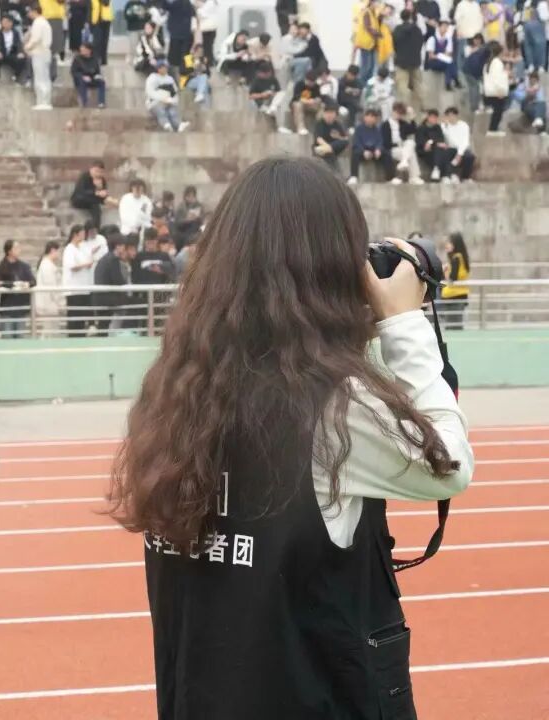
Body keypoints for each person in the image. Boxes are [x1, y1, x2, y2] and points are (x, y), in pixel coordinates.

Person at [109, 157, 473, 720]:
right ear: (330, 268)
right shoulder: (333, 406)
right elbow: (448, 463)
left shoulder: (175, 389)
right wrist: (403, 323)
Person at [0, 240, 37, 338]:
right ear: (9, 251)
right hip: (7, 308)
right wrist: (13, 284)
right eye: (16, 248)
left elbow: (33, 281)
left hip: (21, 307)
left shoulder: (24, 266)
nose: (19, 250)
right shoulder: (2, 267)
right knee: (7, 336)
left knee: (20, 337)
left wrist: (26, 284)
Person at [93, 237, 132, 334]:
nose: (124, 248)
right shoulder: (113, 259)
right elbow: (117, 280)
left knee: (103, 326)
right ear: (117, 246)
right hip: (108, 298)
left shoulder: (105, 258)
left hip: (101, 297)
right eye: (122, 245)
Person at [62, 224, 93, 336]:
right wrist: (85, 265)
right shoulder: (69, 249)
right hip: (73, 290)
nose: (84, 236)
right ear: (75, 234)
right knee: (74, 319)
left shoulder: (82, 248)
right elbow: (72, 266)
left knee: (82, 318)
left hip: (83, 288)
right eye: (82, 233)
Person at [349, 109, 394, 184]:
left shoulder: (377, 129)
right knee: (355, 153)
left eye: (373, 117)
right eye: (368, 116)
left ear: (376, 119)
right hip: (363, 151)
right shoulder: (359, 128)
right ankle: (354, 176)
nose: (370, 119)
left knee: (387, 154)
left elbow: (380, 141)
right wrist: (363, 151)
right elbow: (356, 142)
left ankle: (390, 178)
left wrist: (378, 149)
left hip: (374, 151)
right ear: (365, 117)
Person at [383, 101, 424, 184]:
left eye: (400, 114)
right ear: (393, 111)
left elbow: (413, 130)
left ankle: (404, 161)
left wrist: (412, 116)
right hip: (393, 149)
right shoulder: (385, 125)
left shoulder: (402, 123)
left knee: (410, 142)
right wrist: (398, 144)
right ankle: (414, 177)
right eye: (397, 113)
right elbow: (386, 142)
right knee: (411, 153)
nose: (398, 115)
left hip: (404, 148)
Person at [393, 10, 425, 110]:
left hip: (401, 62)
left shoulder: (397, 29)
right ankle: (422, 106)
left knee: (403, 86)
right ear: (410, 17)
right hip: (415, 61)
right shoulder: (417, 29)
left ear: (401, 17)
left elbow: (394, 45)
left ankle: (406, 108)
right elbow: (421, 43)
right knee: (418, 84)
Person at [146, 60, 190, 132]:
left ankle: (178, 125)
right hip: (155, 102)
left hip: (169, 102)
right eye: (163, 67)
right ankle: (166, 124)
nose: (165, 69)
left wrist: (173, 101)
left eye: (166, 67)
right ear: (158, 68)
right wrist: (162, 99)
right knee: (161, 110)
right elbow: (150, 92)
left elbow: (174, 93)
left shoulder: (170, 79)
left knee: (172, 111)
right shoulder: (152, 78)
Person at [25, 5, 55, 110]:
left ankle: (42, 101)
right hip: (45, 52)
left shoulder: (38, 23)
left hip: (39, 52)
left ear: (35, 11)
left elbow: (36, 38)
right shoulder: (45, 22)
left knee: (40, 78)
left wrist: (27, 47)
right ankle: (45, 100)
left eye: (30, 12)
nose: (28, 14)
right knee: (45, 77)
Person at [441, 232, 471, 330]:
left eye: (449, 243)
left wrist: (445, 271)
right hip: (461, 294)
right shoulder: (462, 257)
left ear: (455, 244)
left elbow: (452, 278)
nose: (447, 245)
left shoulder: (456, 258)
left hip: (453, 296)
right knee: (457, 325)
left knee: (452, 328)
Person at [71, 161, 114, 227]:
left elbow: (103, 193)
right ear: (91, 169)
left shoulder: (102, 180)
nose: (98, 174)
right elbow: (81, 191)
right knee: (95, 206)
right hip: (80, 199)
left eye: (100, 172)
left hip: (92, 201)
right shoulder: (84, 177)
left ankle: (96, 226)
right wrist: (96, 192)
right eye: (96, 171)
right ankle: (94, 227)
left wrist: (104, 193)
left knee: (98, 205)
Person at [416, 109, 454, 182]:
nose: (434, 119)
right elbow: (421, 142)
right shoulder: (421, 128)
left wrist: (432, 142)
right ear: (428, 117)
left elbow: (441, 140)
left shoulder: (437, 127)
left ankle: (443, 174)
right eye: (433, 117)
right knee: (440, 151)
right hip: (425, 151)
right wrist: (433, 143)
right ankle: (446, 174)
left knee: (449, 151)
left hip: (437, 151)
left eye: (436, 117)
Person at [35, 241, 64, 337]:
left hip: (50, 304)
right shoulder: (46, 266)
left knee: (51, 331)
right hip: (48, 303)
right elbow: (51, 287)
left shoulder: (48, 265)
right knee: (49, 331)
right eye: (58, 251)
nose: (59, 254)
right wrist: (60, 302)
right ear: (52, 251)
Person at [441, 106, 476, 183]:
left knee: (470, 157)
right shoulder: (444, 126)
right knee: (445, 154)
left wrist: (459, 153)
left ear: (456, 115)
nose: (451, 118)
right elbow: (448, 140)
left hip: (462, 149)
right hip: (451, 148)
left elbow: (465, 141)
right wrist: (446, 127)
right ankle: (448, 176)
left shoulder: (464, 125)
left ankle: (465, 177)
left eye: (452, 115)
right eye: (448, 116)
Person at [354, 0, 384, 86]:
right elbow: (368, 27)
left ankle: (368, 86)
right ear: (371, 2)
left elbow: (376, 25)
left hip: (372, 44)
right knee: (366, 67)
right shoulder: (367, 12)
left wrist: (381, 16)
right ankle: (362, 85)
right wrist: (379, 34)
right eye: (377, 2)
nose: (378, 4)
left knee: (371, 67)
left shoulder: (373, 13)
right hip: (366, 44)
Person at [313, 102, 349, 172]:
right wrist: (327, 147)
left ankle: (329, 149)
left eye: (332, 113)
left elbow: (345, 139)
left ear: (335, 114)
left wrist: (337, 138)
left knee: (344, 142)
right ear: (324, 114)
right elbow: (318, 139)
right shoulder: (320, 123)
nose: (329, 115)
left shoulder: (337, 124)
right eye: (327, 113)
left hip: (333, 148)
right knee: (329, 154)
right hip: (321, 147)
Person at [482, 41, 509, 135]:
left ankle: (493, 128)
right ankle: (493, 129)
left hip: (490, 91)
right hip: (497, 92)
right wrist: (500, 91)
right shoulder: (497, 63)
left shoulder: (488, 62)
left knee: (497, 111)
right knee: (498, 112)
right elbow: (497, 79)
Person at [0, 14, 28, 85]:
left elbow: (19, 43)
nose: (4, 24)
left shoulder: (15, 33)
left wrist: (20, 52)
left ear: (11, 23)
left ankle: (16, 77)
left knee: (22, 59)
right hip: (2, 54)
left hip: (12, 54)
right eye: (3, 22)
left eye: (6, 22)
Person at [166, 0, 197, 80]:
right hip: (184, 35)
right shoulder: (188, 5)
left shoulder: (179, 4)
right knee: (186, 56)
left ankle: (184, 76)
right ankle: (187, 74)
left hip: (180, 36)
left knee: (180, 57)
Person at [425, 19, 459, 90]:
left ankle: (448, 84)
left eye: (447, 27)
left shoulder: (448, 39)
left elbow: (449, 53)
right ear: (439, 27)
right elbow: (431, 56)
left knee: (449, 64)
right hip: (434, 62)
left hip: (443, 61)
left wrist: (441, 55)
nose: (445, 28)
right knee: (450, 63)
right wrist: (440, 56)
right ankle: (455, 80)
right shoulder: (432, 39)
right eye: (444, 26)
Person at [71, 43, 106, 108]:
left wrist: (97, 75)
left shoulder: (95, 59)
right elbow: (74, 72)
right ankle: (84, 103)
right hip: (81, 78)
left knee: (101, 82)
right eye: (81, 50)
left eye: (84, 50)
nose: (82, 51)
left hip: (92, 77)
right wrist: (82, 76)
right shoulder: (77, 59)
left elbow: (97, 71)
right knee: (82, 82)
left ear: (89, 50)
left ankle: (101, 102)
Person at [290, 70, 323, 135]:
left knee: (322, 105)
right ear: (306, 80)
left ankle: (320, 126)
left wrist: (315, 100)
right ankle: (301, 128)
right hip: (299, 103)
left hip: (311, 104)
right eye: (310, 82)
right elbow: (296, 97)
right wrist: (306, 101)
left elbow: (319, 97)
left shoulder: (316, 86)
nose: (311, 84)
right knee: (298, 105)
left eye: (313, 82)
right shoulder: (299, 84)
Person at [462, 34, 488, 114]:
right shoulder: (468, 48)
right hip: (469, 72)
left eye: (479, 39)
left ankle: (485, 106)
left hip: (479, 72)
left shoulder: (485, 49)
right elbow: (468, 54)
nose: (477, 41)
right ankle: (474, 108)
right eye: (475, 39)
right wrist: (477, 49)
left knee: (485, 88)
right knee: (474, 88)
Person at [453, 0, 484, 67]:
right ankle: (460, 72)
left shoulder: (476, 5)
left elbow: (480, 18)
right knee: (462, 55)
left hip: (475, 36)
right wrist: (459, 30)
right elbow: (457, 19)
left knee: (474, 56)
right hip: (464, 35)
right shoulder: (461, 4)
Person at [89, 0, 115, 66]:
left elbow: (106, 2)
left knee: (104, 41)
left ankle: (103, 60)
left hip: (106, 19)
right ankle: (96, 59)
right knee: (97, 42)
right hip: (96, 20)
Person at [196, 0, 219, 65]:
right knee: (205, 48)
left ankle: (208, 64)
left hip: (207, 29)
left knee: (206, 48)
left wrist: (198, 8)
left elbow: (201, 15)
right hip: (204, 29)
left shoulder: (210, 3)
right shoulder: (211, 3)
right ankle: (207, 63)